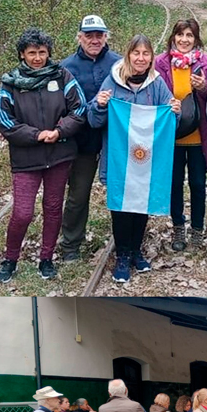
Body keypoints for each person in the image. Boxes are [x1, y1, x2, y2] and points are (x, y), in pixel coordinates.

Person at [0, 28, 86, 283]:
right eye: (32, 53)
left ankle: (46, 258)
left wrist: (58, 131)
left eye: (42, 52)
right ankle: (10, 259)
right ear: (22, 54)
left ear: (48, 53)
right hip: (26, 160)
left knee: (53, 208)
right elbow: (5, 122)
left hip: (59, 155)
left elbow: (79, 108)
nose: (37, 57)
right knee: (22, 212)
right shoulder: (9, 83)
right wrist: (37, 135)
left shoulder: (63, 76)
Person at [87, 34, 180, 283]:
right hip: (119, 160)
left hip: (145, 161)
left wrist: (174, 111)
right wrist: (100, 104)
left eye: (146, 54)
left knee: (141, 206)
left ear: (151, 57)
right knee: (120, 207)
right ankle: (122, 255)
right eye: (136, 53)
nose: (141, 58)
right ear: (128, 55)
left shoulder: (157, 83)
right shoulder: (113, 81)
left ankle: (135, 249)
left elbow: (169, 123)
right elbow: (94, 121)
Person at [58, 16, 122, 262]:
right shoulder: (66, 67)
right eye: (89, 35)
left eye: (99, 35)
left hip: (115, 141)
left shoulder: (119, 63)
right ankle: (71, 245)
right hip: (82, 143)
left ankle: (127, 241)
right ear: (80, 37)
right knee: (78, 194)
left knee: (122, 191)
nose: (94, 40)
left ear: (106, 36)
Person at [154, 19, 207, 252]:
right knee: (174, 184)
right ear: (173, 37)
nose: (184, 39)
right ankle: (178, 227)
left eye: (189, 35)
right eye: (180, 34)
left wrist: (204, 87)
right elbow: (152, 93)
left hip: (199, 137)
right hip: (171, 137)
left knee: (198, 184)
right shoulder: (160, 63)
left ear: (196, 39)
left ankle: (198, 231)